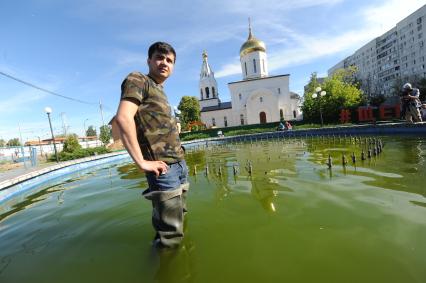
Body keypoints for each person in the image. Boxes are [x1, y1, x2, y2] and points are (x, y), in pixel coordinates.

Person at [115, 42, 189, 249]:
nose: (164, 63)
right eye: (159, 57)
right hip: (163, 169)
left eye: (170, 60)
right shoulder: (139, 80)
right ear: (149, 60)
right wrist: (141, 162)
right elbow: (123, 118)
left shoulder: (160, 90)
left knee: (180, 220)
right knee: (170, 236)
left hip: (179, 165)